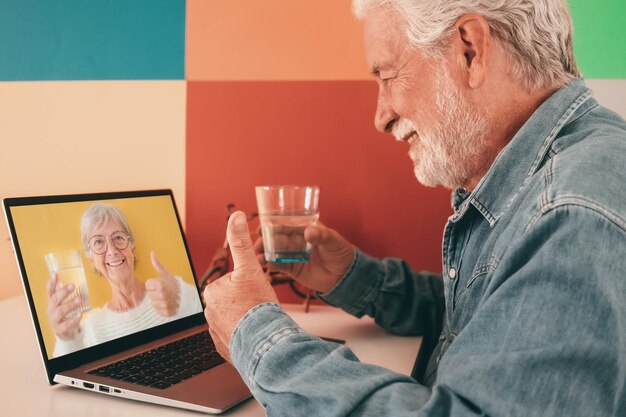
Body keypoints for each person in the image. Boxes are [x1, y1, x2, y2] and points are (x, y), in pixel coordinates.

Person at [203, 0, 626, 416]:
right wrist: (355, 277)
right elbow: (493, 318)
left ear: (469, 50)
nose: (380, 117)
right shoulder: (554, 177)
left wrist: (256, 336)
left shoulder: (572, 213)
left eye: (387, 75)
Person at [46, 203, 201, 357]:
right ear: (91, 259)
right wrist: (67, 340)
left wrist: (181, 297)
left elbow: (207, 320)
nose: (112, 251)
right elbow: (68, 372)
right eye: (99, 242)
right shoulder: (92, 327)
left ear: (131, 247)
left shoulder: (168, 293)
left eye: (118, 238)